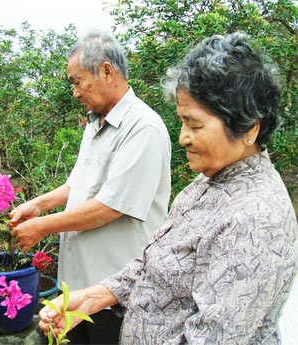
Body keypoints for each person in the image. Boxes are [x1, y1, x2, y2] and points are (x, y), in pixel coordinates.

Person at [38, 32, 298, 344]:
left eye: (196, 125)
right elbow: (156, 261)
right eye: (183, 123)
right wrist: (96, 296)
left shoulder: (255, 219)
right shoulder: (210, 182)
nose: (183, 137)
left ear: (249, 128)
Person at [10, 30, 172, 343]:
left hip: (114, 294)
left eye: (77, 81)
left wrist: (42, 227)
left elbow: (111, 206)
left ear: (107, 71)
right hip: (77, 288)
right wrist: (38, 205)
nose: (75, 92)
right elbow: (79, 184)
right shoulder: (96, 122)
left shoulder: (143, 128)